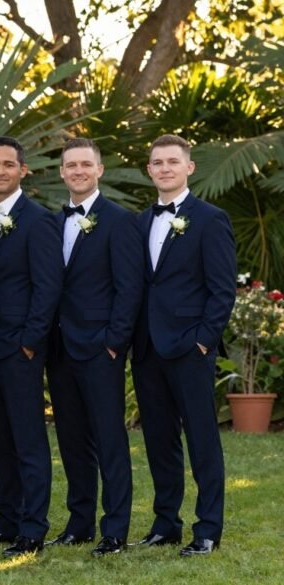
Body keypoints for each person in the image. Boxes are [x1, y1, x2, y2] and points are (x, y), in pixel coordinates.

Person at [131, 134, 236, 557]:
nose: (164, 168)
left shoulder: (210, 219)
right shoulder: (140, 222)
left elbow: (222, 289)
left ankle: (208, 528)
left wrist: (203, 342)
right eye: (157, 162)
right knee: (158, 439)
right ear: (150, 169)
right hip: (147, 349)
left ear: (189, 167)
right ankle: (165, 523)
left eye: (173, 161)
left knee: (202, 439)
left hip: (190, 349)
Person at [44, 138, 143, 557]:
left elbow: (129, 287)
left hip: (100, 348)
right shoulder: (53, 221)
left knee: (109, 439)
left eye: (86, 164)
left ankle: (115, 528)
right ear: (62, 173)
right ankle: (79, 521)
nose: (78, 170)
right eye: (71, 165)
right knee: (71, 438)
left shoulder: (119, 221)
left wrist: (113, 343)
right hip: (60, 348)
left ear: (99, 170)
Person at [0, 136, 62, 557]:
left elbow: (48, 287)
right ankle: (6, 518)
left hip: (19, 348)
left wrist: (29, 342)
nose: (1, 171)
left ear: (23, 170)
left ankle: (33, 526)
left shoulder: (39, 220)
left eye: (9, 164)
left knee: (27, 440)